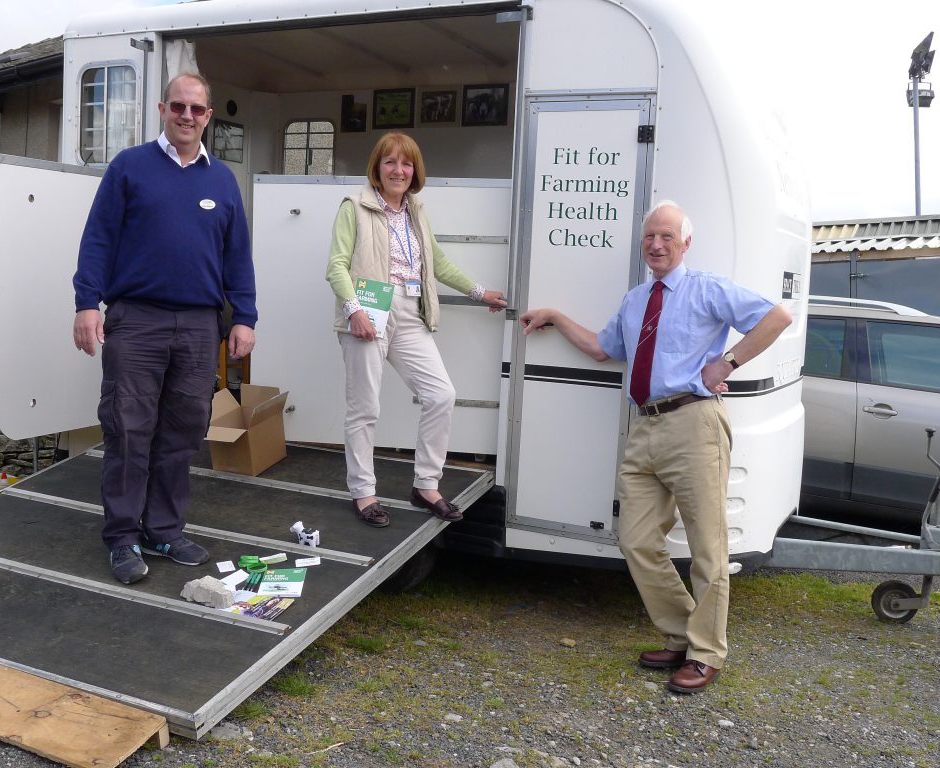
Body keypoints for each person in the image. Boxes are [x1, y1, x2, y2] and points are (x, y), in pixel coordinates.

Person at [520, 201, 791, 693]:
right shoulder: (636, 300)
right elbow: (604, 348)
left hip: (694, 424)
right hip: (644, 428)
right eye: (650, 237)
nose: (657, 245)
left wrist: (726, 363)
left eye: (667, 236)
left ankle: (707, 653)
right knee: (637, 540)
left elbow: (777, 317)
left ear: (685, 243)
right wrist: (557, 317)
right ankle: (683, 635)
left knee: (708, 549)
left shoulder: (707, 289)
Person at [72, 72, 257, 585]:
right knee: (129, 430)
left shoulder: (221, 181)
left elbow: (237, 256)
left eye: (197, 110)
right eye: (178, 106)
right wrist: (87, 303)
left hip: (200, 327)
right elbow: (98, 241)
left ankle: (165, 529)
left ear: (209, 116)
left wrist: (244, 316)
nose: (187, 116)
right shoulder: (129, 168)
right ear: (162, 108)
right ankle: (123, 537)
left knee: (183, 432)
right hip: (137, 321)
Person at [326, 132, 507, 528]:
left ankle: (426, 485)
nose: (398, 170)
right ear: (377, 167)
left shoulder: (416, 212)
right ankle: (364, 493)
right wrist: (354, 310)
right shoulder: (354, 207)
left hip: (409, 313)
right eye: (389, 162)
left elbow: (437, 264)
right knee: (365, 408)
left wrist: (481, 293)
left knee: (441, 394)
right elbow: (336, 266)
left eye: (405, 163)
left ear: (415, 170)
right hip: (368, 308)